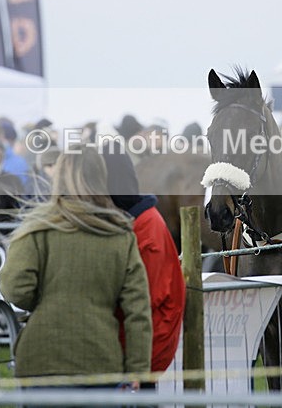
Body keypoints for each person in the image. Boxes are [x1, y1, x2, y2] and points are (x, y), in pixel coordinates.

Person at [0, 145, 152, 390]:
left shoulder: (37, 227)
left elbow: (14, 288)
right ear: (100, 177)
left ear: (59, 176)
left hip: (41, 357)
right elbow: (138, 310)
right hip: (100, 359)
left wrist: (45, 302)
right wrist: (138, 368)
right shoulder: (121, 236)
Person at [101, 142, 185, 387]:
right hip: (139, 344)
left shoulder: (146, 229)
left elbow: (147, 299)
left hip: (145, 348)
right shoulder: (137, 220)